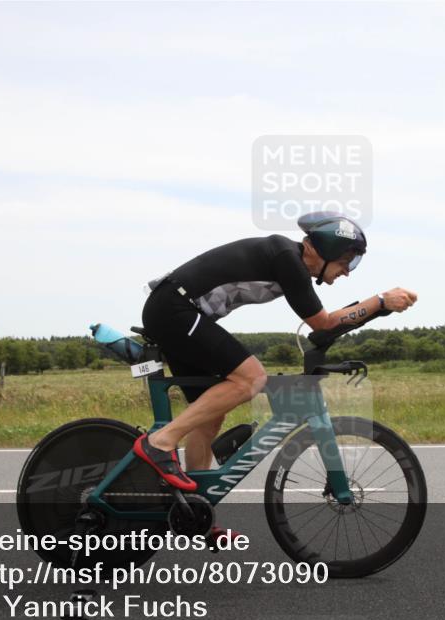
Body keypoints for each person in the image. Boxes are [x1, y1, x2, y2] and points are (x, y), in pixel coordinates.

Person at [133, 211, 417, 543]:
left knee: (209, 418)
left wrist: (378, 309)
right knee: (251, 378)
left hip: (177, 311)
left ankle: (195, 509)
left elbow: (325, 327)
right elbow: (323, 323)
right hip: (174, 309)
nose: (346, 272)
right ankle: (159, 443)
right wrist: (380, 301)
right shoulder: (287, 259)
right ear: (326, 250)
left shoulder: (289, 262)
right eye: (346, 262)